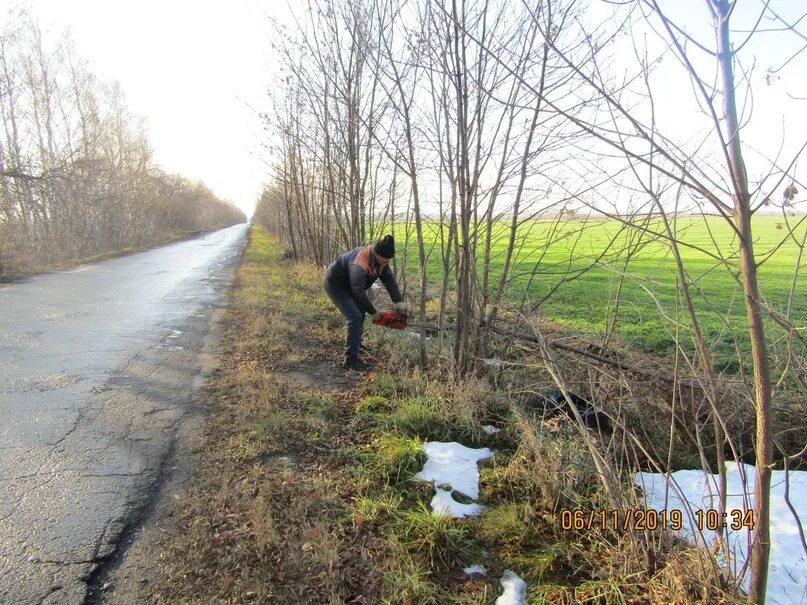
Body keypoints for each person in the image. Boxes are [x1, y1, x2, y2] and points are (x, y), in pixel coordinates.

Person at [324, 235, 407, 371]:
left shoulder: (382, 262)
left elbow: (390, 281)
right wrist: (374, 313)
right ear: (376, 253)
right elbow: (357, 292)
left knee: (360, 312)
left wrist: (399, 303)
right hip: (336, 285)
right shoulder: (360, 262)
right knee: (355, 317)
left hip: (351, 286)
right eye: (384, 260)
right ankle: (350, 360)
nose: (385, 264)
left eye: (387, 261)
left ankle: (356, 343)